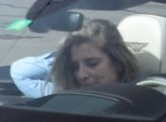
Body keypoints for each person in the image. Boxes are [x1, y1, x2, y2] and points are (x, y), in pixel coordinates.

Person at [11, 18, 140, 98]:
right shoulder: (67, 95)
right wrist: (61, 58)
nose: (80, 75)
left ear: (118, 62)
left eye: (92, 63)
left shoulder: (142, 101)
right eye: (74, 67)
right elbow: (19, 71)